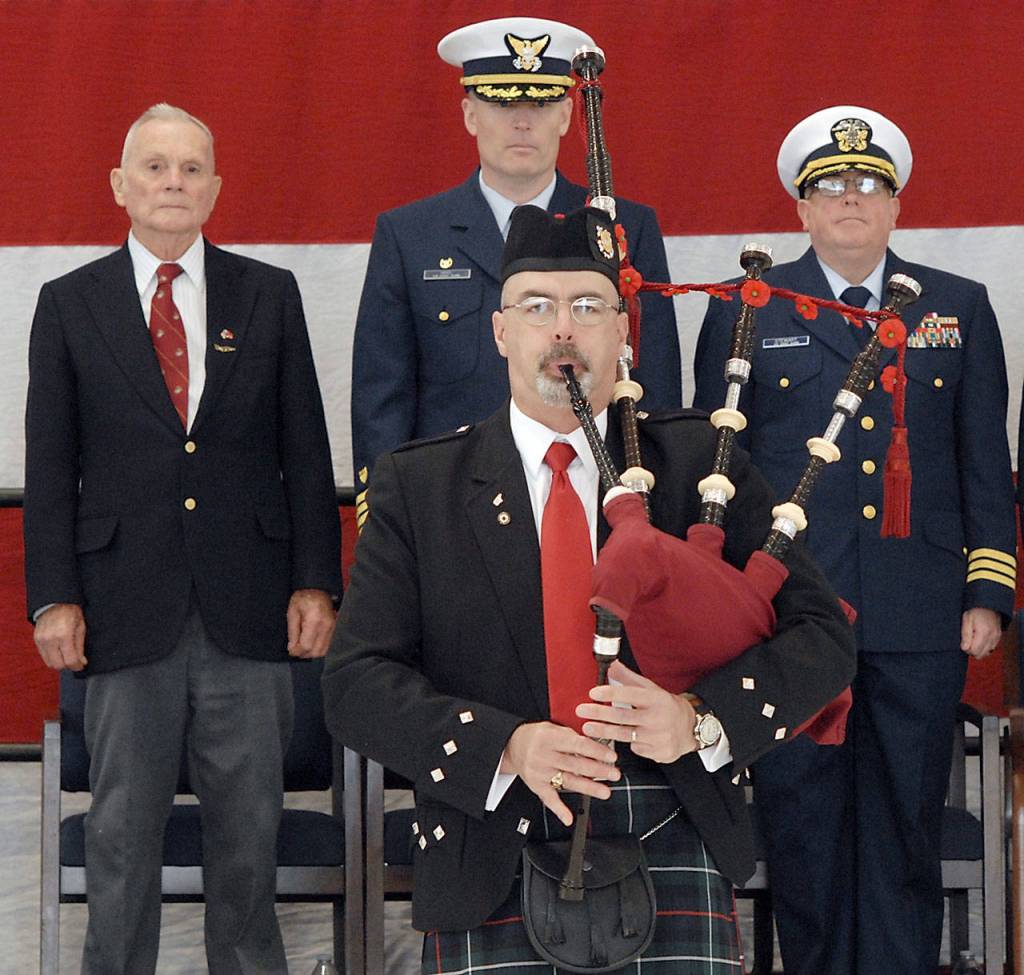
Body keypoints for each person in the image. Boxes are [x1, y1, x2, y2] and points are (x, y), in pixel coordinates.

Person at [324, 203, 855, 973]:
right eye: (537, 306)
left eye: (587, 307)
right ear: (502, 331)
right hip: (490, 835)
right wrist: (506, 745)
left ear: (623, 333)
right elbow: (353, 685)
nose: (563, 328)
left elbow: (823, 638)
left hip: (675, 821)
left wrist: (700, 719)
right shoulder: (420, 483)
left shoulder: (700, 464)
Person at [693, 105, 1017, 975]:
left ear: (897, 205)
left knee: (906, 827)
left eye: (869, 185)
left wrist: (988, 593)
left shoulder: (958, 308)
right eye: (829, 187)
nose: (850, 199)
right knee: (802, 826)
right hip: (793, 615)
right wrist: (728, 605)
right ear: (801, 208)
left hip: (919, 617)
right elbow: (716, 474)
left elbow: (986, 462)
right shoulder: (743, 309)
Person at [24, 103, 342, 975]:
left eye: (191, 168)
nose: (174, 182)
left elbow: (305, 453)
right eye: (155, 167)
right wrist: (53, 595)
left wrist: (318, 581)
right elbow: (50, 468)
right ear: (120, 187)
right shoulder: (67, 304)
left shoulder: (268, 294)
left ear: (216, 189)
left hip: (251, 611)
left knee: (249, 833)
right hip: (123, 612)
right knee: (122, 838)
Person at [350, 16, 680, 525]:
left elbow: (652, 385)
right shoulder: (409, 235)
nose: (522, 120)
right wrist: (393, 518)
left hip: (596, 496)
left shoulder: (622, 227)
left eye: (541, 102)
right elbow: (382, 397)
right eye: (502, 102)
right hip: (448, 505)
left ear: (568, 115)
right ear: (469, 114)